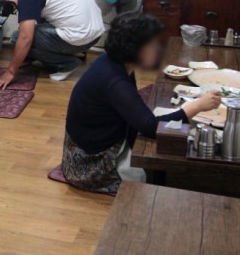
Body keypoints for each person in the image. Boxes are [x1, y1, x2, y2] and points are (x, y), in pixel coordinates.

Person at [63, 13, 221, 194]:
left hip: (92, 142)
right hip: (90, 163)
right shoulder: (115, 81)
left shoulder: (113, 61)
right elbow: (150, 127)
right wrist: (197, 106)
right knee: (154, 181)